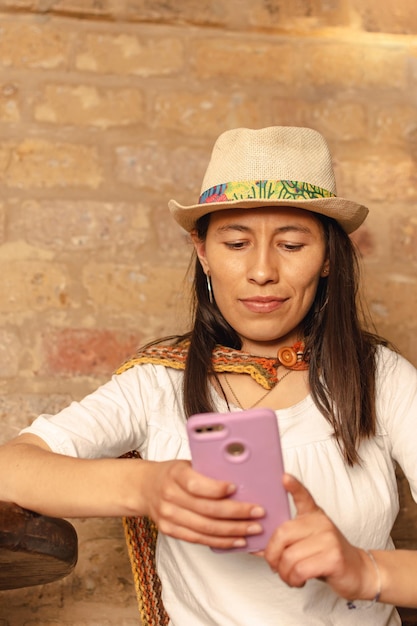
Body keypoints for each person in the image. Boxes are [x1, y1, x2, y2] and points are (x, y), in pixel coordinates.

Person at [1, 125, 417, 625]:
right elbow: (12, 468)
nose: (262, 271)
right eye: (237, 242)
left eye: (291, 244)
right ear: (203, 253)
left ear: (328, 256)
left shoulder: (381, 378)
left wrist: (365, 569)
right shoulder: (158, 382)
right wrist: (147, 487)